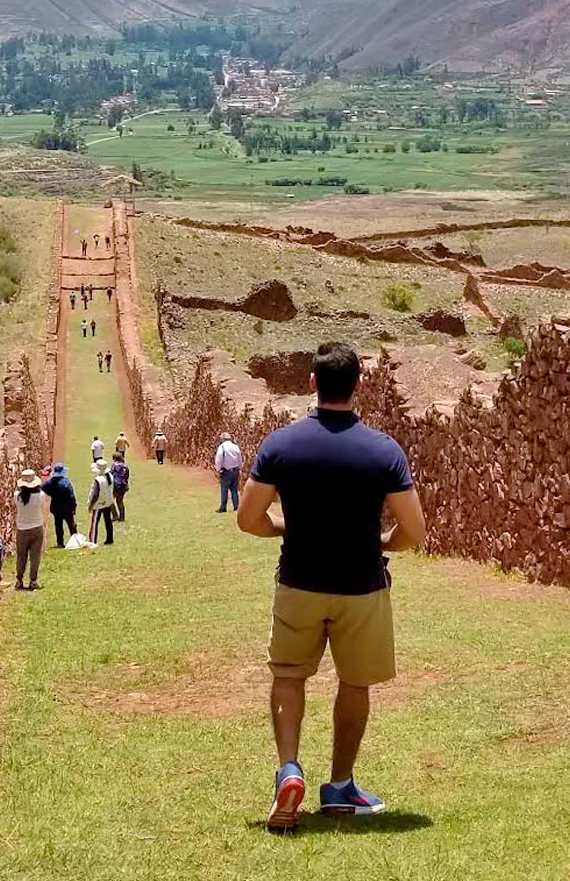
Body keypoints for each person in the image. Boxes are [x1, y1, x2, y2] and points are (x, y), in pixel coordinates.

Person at [237, 342, 426, 833]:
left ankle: (289, 769)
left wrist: (286, 528)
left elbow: (249, 518)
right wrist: (383, 541)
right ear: (358, 385)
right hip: (361, 585)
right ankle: (340, 785)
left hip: (299, 581)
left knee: (288, 675)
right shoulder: (384, 450)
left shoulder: (281, 445)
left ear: (312, 382)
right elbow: (414, 529)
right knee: (354, 682)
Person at [13, 468, 48, 590]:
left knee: (21, 556)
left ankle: (19, 580)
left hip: (22, 529)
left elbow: (18, 493)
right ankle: (33, 580)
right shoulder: (40, 495)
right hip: (36, 527)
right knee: (35, 556)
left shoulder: (17, 496)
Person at [42, 463, 78, 548]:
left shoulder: (50, 483)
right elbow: (71, 496)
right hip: (67, 508)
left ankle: (60, 543)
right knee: (71, 524)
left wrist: (50, 493)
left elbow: (42, 487)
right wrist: (74, 507)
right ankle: (75, 540)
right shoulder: (66, 482)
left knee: (58, 525)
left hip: (56, 508)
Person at [87, 459, 117, 545]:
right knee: (108, 521)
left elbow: (95, 494)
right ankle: (109, 539)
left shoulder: (98, 480)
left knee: (94, 523)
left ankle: (92, 541)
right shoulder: (110, 476)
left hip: (98, 504)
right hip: (107, 502)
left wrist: (91, 505)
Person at [214, 436, 243, 513]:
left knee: (224, 489)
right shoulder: (235, 446)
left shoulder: (222, 447)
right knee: (234, 489)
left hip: (226, 471)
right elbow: (240, 458)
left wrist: (218, 469)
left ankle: (223, 507)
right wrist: (239, 468)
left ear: (223, 439)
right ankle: (236, 506)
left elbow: (219, 459)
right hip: (235, 470)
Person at [110, 449, 131, 522]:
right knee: (120, 501)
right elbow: (127, 476)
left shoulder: (114, 465)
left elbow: (111, 474)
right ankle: (122, 517)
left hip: (116, 485)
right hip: (123, 486)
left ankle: (115, 515)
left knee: (110, 500)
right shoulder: (125, 466)